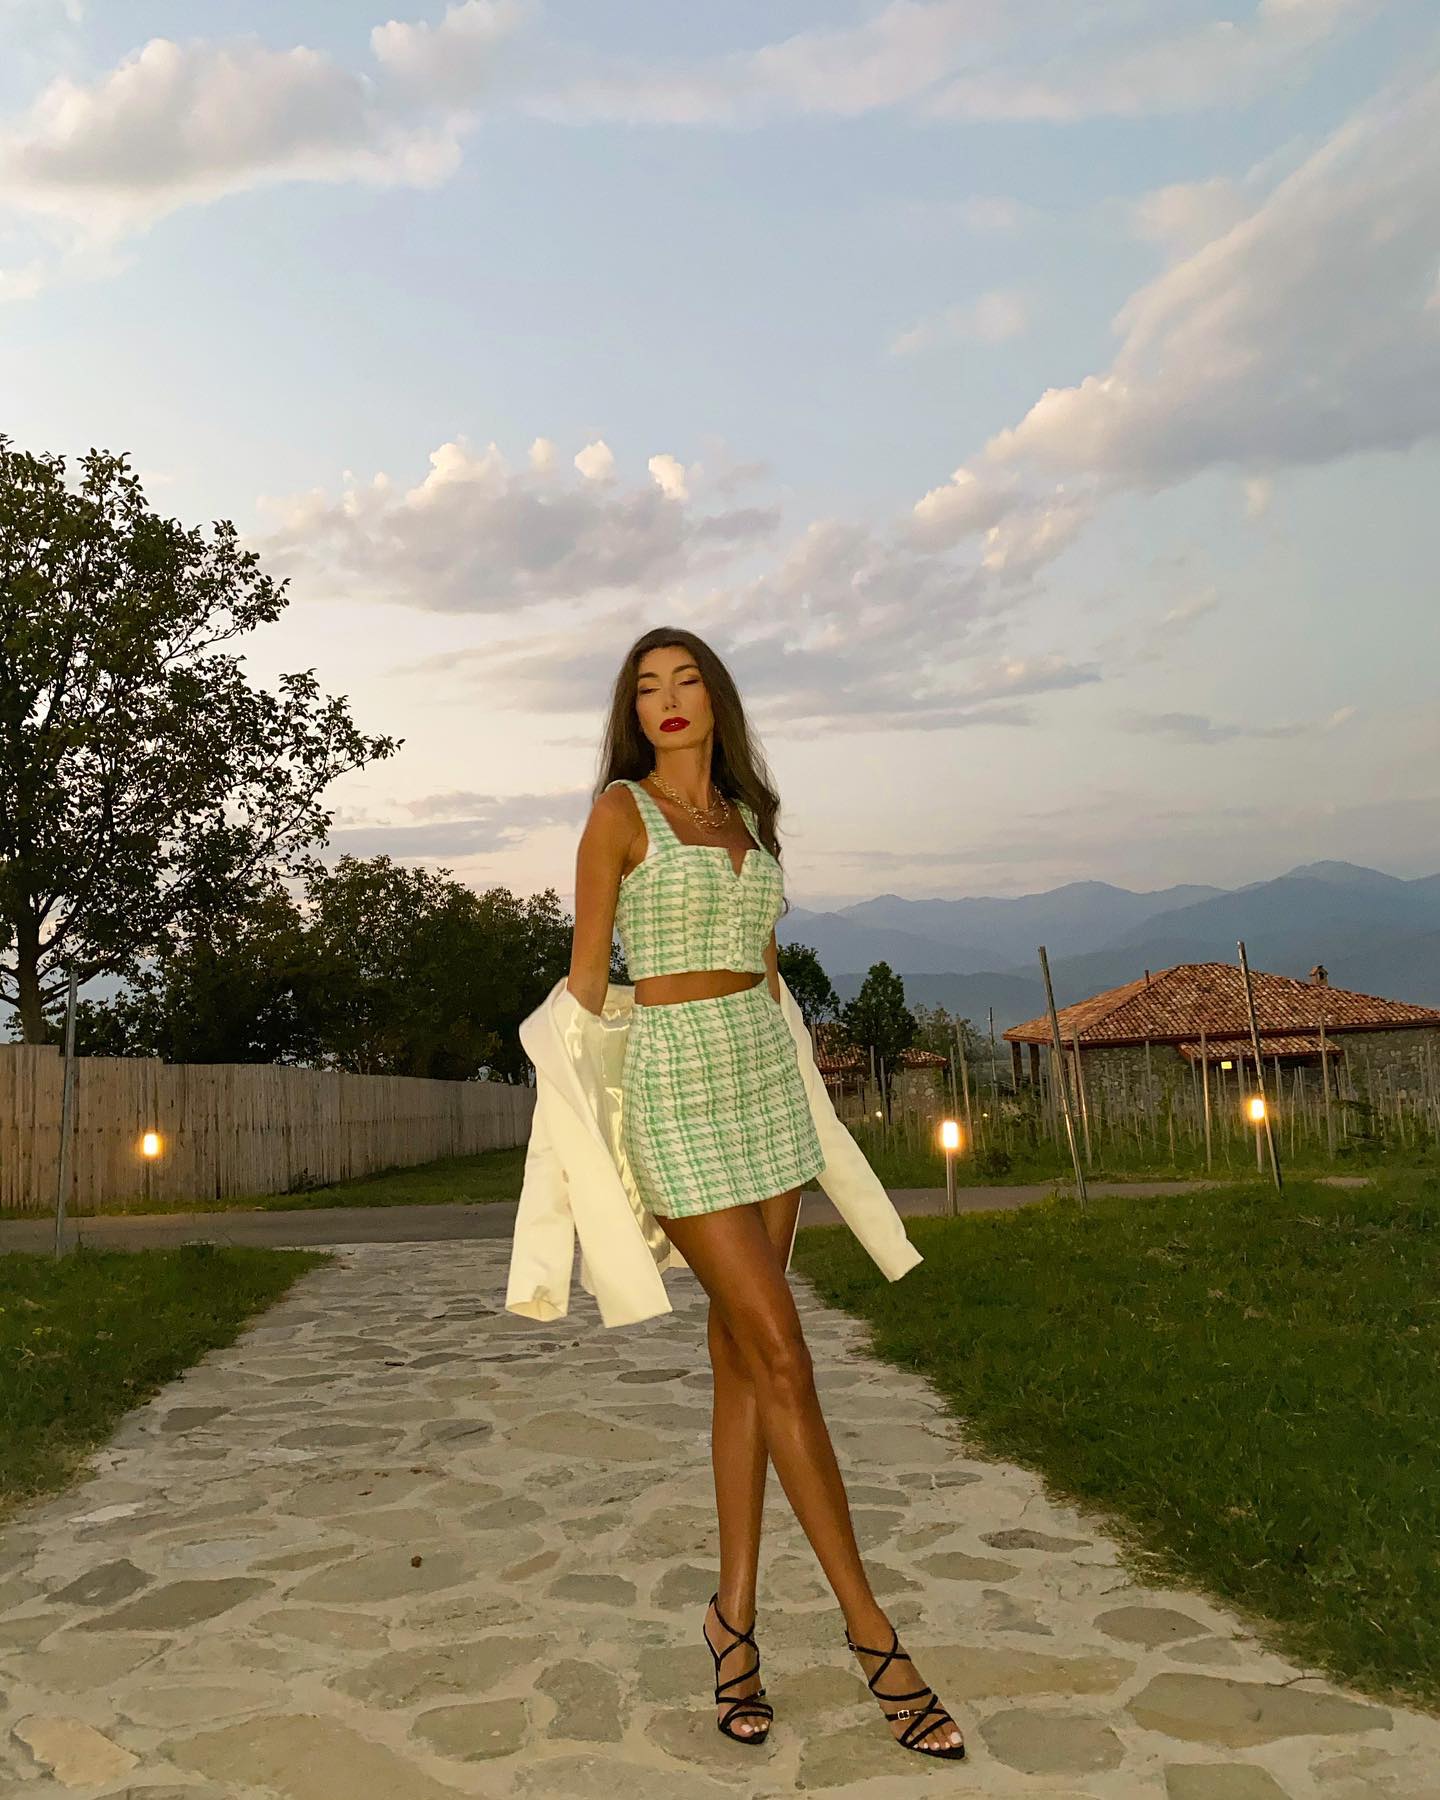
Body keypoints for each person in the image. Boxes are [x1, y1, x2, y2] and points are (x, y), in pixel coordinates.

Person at [562, 626, 965, 1761]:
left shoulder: (748, 818)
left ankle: (731, 1624)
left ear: (716, 699)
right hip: (677, 1086)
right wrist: (570, 1137)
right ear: (633, 715)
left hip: (762, 1081)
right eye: (647, 688)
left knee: (744, 1358)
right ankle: (873, 1634)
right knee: (785, 1352)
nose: (667, 700)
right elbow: (588, 983)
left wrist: (809, 1077)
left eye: (686, 680)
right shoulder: (618, 815)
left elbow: (769, 971)